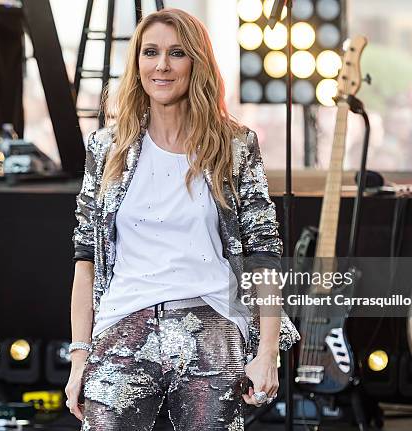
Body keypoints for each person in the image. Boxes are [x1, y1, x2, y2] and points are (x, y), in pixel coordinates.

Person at [66, 8, 300, 430]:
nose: (162, 65)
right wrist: (80, 355)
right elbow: (85, 259)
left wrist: (267, 353)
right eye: (150, 52)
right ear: (136, 64)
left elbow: (264, 254)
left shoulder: (235, 146)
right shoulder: (107, 148)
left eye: (176, 53)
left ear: (197, 62)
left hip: (212, 324)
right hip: (124, 323)